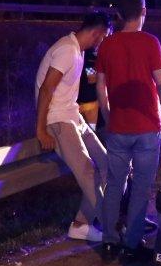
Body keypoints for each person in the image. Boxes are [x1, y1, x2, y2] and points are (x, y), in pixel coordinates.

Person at [95, 0, 161, 260]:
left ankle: (109, 241)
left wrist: (109, 119)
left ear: (119, 15)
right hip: (146, 129)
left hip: (118, 128)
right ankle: (132, 244)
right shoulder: (151, 43)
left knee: (114, 186)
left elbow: (100, 89)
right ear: (143, 12)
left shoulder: (107, 45)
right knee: (142, 189)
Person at [35, 12, 112, 242]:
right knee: (88, 171)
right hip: (57, 120)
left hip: (73, 116)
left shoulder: (77, 50)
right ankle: (113, 231)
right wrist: (40, 129)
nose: (103, 42)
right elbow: (46, 89)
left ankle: (81, 224)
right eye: (104, 37)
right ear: (97, 33)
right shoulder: (67, 50)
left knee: (108, 164)